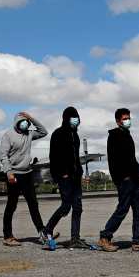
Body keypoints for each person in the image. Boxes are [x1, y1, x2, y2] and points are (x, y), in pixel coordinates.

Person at [98, 108, 139, 252]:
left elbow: (131, 158)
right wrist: (122, 177)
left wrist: (137, 172)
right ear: (118, 121)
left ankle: (137, 241)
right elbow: (113, 161)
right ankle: (105, 237)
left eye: (129, 118)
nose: (128, 120)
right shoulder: (114, 136)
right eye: (124, 118)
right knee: (122, 209)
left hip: (135, 179)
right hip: (125, 180)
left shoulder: (127, 135)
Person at [0, 112, 49, 247]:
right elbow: (3, 155)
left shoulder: (29, 134)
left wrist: (32, 118)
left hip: (27, 173)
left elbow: (44, 132)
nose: (25, 124)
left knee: (33, 204)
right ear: (16, 122)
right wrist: (8, 172)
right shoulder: (8, 135)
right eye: (23, 121)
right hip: (14, 174)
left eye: (27, 122)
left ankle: (42, 232)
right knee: (11, 205)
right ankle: (7, 236)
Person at [43, 107, 87, 250]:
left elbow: (76, 157)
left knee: (78, 207)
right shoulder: (58, 134)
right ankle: (47, 230)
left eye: (77, 117)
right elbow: (53, 157)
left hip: (75, 176)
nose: (76, 120)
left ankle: (75, 238)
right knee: (66, 205)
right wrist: (61, 174)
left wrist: (79, 172)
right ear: (66, 118)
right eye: (72, 117)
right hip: (64, 176)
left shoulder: (76, 135)